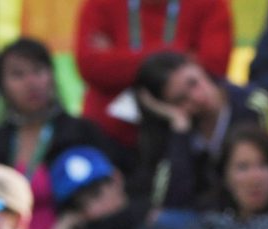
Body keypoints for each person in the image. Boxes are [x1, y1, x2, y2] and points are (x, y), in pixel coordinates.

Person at [0, 37, 123, 229]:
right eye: (18, 75)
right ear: (1, 86)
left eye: (38, 71)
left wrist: (76, 218)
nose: (31, 83)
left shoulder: (80, 132)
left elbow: (117, 191)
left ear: (51, 76)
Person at [74, 0, 233, 149]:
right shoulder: (100, 4)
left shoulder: (210, 4)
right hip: (110, 137)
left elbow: (214, 67)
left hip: (187, 138)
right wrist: (180, 54)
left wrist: (118, 58)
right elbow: (91, 66)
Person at [130, 50, 268, 216]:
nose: (198, 97)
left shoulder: (253, 105)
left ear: (197, 65)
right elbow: (169, 201)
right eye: (181, 99)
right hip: (206, 221)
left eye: (193, 83)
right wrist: (179, 129)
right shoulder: (173, 130)